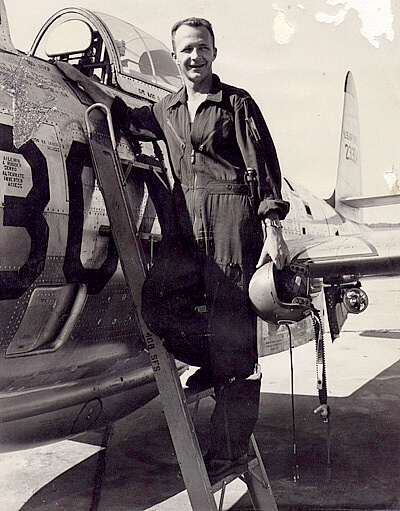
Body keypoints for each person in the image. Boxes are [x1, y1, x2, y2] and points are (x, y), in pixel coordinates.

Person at [56, 17, 290, 481]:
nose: (193, 57)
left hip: (230, 220)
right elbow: (124, 116)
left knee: (235, 337)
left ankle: (229, 451)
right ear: (175, 55)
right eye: (185, 50)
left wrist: (272, 229)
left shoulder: (236, 104)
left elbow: (262, 166)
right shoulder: (168, 109)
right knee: (158, 304)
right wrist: (80, 83)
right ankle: (215, 360)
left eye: (201, 48)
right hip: (187, 224)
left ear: (214, 52)